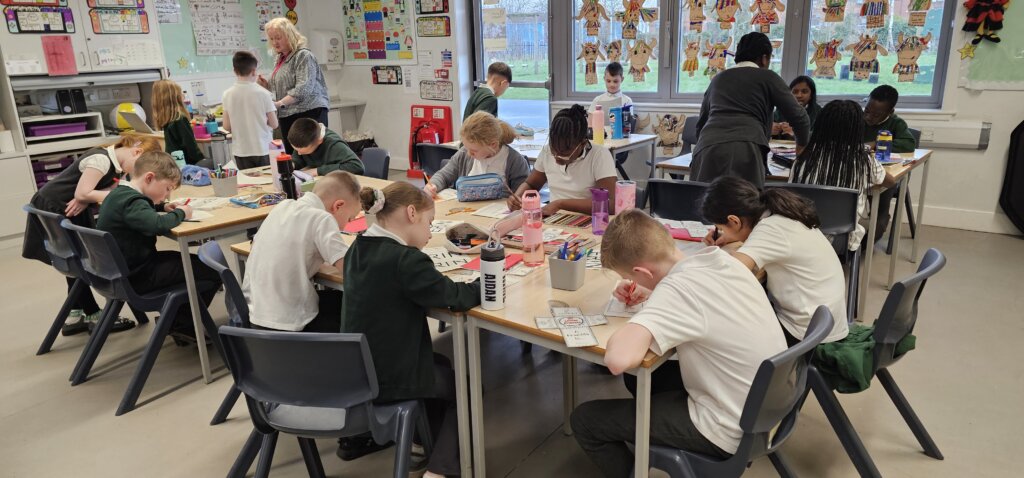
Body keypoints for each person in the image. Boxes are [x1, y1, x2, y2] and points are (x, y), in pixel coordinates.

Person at [570, 209, 787, 478]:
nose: (631, 283)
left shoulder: (677, 290)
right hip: (767, 409)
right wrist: (650, 290)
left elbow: (618, 360)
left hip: (727, 428)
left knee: (585, 420)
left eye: (631, 278)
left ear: (641, 271)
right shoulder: (721, 259)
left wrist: (645, 314)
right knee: (638, 379)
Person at [340, 182, 480, 478]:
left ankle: (419, 440)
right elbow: (455, 297)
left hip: (357, 369)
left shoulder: (358, 247)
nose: (430, 233)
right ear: (411, 213)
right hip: (389, 378)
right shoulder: (406, 259)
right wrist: (487, 283)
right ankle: (441, 470)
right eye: (429, 223)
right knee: (465, 385)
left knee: (439, 363)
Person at [22, 134, 162, 335]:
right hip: (56, 207)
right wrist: (119, 196)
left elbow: (94, 193)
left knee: (75, 258)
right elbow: (82, 193)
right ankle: (92, 313)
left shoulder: (118, 166)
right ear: (137, 152)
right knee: (80, 259)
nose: (138, 173)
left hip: (63, 208)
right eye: (140, 167)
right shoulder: (101, 160)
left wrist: (89, 197)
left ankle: (76, 312)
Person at [700, 176, 849, 344]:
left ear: (734, 221)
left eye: (720, 228)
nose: (721, 233)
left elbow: (731, 272)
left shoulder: (770, 229)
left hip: (806, 333)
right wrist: (732, 236)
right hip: (822, 321)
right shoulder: (778, 214)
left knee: (716, 324)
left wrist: (687, 260)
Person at [95, 151, 221, 340]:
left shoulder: (119, 193)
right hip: (138, 276)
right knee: (213, 269)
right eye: (167, 188)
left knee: (191, 262)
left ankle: (177, 320)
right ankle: (181, 323)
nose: (168, 195)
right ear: (149, 178)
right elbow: (157, 225)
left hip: (117, 273)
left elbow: (138, 212)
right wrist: (182, 213)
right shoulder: (133, 202)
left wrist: (161, 207)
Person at [243, 171, 362, 332]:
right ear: (338, 206)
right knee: (358, 310)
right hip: (288, 324)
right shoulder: (322, 218)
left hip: (254, 315)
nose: (347, 225)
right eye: (349, 218)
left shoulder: (283, 206)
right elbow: (351, 270)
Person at [691, 32, 810, 189]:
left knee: (705, 200)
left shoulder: (718, 79)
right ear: (764, 58)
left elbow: (702, 123)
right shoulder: (768, 77)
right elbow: (800, 117)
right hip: (746, 147)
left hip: (707, 146)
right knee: (745, 201)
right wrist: (801, 147)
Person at [791, 100, 896, 251]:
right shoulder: (863, 160)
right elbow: (890, 182)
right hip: (841, 239)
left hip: (800, 235)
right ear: (857, 129)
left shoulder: (803, 158)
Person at [507, 104, 618, 215]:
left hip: (588, 219)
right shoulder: (546, 152)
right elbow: (531, 184)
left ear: (582, 144)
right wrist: (517, 197)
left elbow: (610, 204)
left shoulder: (599, 155)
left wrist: (560, 204)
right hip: (554, 218)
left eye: (564, 152)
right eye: (554, 150)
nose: (556, 157)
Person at [260, 17, 330, 155]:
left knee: (312, 154)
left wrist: (280, 103)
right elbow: (282, 85)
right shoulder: (280, 58)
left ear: (289, 35)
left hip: (308, 112)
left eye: (278, 38)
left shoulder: (303, 56)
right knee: (294, 155)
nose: (274, 42)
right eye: (271, 39)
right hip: (288, 114)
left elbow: (303, 88)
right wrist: (266, 85)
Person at [424, 111, 529, 198]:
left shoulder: (515, 161)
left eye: (474, 151)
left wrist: (516, 201)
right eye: (467, 148)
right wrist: (432, 186)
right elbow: (444, 175)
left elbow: (522, 197)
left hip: (498, 214)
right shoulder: (464, 153)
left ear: (493, 145)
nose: (469, 154)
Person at [862, 85, 917, 242]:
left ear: (890, 112)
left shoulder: (896, 123)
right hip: (861, 170)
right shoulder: (859, 119)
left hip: (886, 175)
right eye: (867, 111)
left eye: (876, 115)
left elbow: (909, 144)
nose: (869, 117)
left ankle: (873, 234)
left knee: (881, 203)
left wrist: (876, 143)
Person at [222, 51, 279, 169]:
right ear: (254, 71)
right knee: (267, 179)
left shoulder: (227, 94)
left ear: (234, 71)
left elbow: (226, 126)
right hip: (263, 149)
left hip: (241, 151)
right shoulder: (264, 93)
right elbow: (274, 124)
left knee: (248, 180)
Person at [152, 79, 205, 166]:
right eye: (180, 93)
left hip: (174, 163)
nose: (183, 95)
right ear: (175, 97)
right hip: (187, 165)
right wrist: (203, 160)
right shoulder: (180, 119)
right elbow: (191, 148)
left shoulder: (167, 119)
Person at [287, 118, 364, 176]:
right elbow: (299, 159)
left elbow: (357, 167)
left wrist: (317, 171)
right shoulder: (303, 141)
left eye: (304, 152)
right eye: (296, 149)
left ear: (319, 141)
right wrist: (292, 165)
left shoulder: (333, 144)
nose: (299, 153)